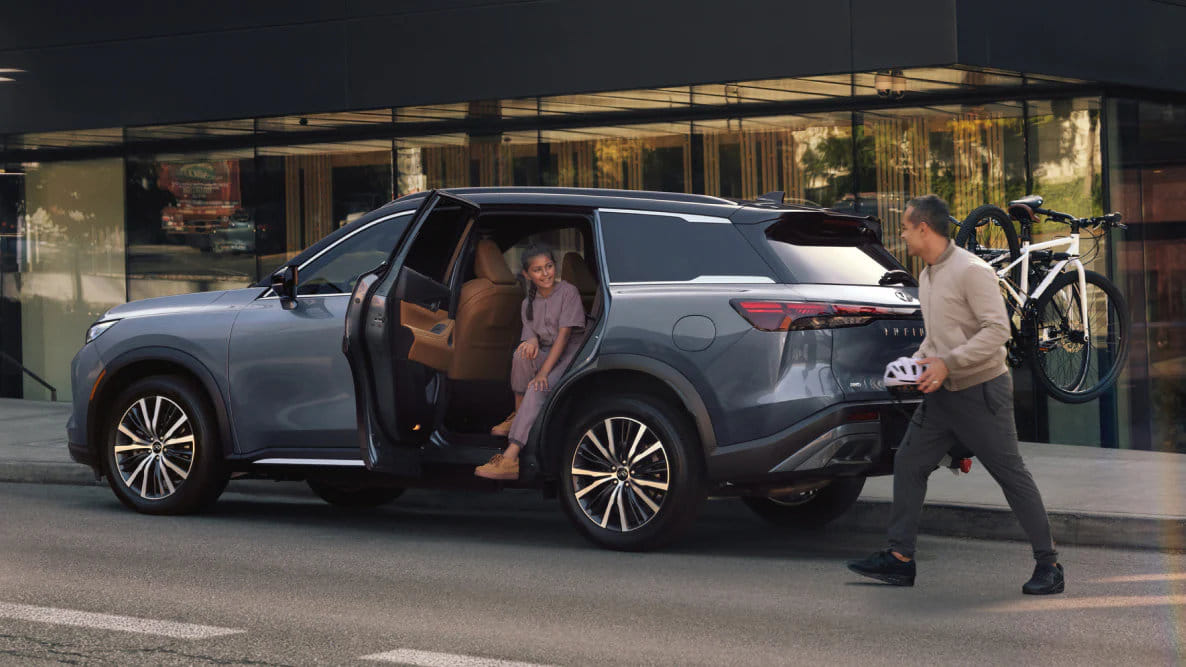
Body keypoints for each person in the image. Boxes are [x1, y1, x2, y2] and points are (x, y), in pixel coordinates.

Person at [847, 194, 1064, 595]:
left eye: (906, 228)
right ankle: (899, 559)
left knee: (1010, 475)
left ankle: (1049, 565)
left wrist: (950, 362)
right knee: (910, 461)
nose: (903, 235)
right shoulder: (928, 274)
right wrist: (914, 364)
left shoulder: (971, 271)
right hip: (941, 396)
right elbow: (937, 336)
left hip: (982, 393)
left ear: (924, 229)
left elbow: (998, 331)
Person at [475, 244, 585, 480]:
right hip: (548, 351)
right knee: (521, 354)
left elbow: (564, 338)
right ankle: (518, 414)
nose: (545, 274)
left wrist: (543, 374)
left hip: (571, 355)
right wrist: (532, 340)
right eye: (538, 270)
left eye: (549, 266)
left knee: (537, 387)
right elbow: (531, 332)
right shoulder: (528, 303)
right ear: (526, 274)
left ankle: (510, 458)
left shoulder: (569, 292)